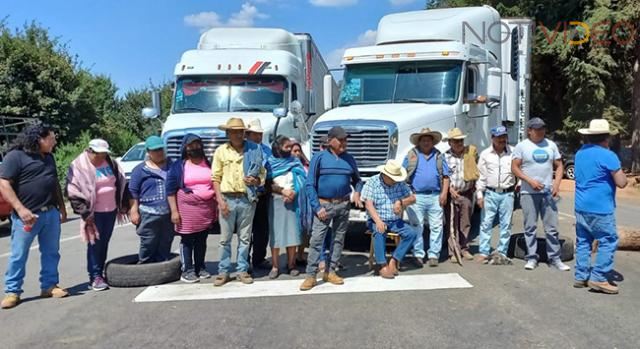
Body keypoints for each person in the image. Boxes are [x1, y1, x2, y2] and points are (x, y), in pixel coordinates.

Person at [0, 124, 69, 309]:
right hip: (26, 217)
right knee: (18, 254)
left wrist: (61, 208)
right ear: (39, 139)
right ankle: (12, 291)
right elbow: (4, 184)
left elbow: (54, 183)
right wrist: (20, 209)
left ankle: (49, 285)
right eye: (51, 138)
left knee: (51, 252)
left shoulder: (49, 157)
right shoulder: (15, 157)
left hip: (50, 213)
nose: (54, 142)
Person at [300, 126, 363, 291]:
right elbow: (310, 184)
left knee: (338, 239)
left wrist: (357, 193)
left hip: (343, 205)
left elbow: (357, 180)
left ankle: (331, 271)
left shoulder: (349, 159)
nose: (344, 143)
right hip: (323, 205)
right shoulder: (319, 158)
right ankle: (311, 276)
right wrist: (316, 206)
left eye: (345, 139)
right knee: (316, 241)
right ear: (330, 140)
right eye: (341, 139)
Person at [67, 139, 128, 292]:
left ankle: (99, 272)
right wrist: (85, 213)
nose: (101, 157)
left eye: (104, 154)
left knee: (104, 243)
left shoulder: (110, 163)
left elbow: (120, 182)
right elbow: (72, 191)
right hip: (93, 213)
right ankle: (94, 276)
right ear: (90, 151)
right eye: (98, 154)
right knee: (94, 244)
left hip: (111, 210)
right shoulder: (79, 165)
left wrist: (123, 204)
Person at [574, 119, 627, 294]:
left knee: (583, 241)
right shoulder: (608, 156)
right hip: (600, 207)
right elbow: (622, 183)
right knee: (608, 240)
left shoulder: (580, 153)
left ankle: (581, 276)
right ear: (607, 138)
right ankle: (598, 277)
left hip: (581, 205)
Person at [212, 118, 265, 287]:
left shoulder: (255, 150)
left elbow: (262, 175)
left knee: (245, 238)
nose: (236, 134)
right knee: (225, 239)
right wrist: (220, 200)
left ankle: (242, 270)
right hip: (227, 197)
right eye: (233, 131)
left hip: (246, 198)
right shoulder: (221, 151)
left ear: (244, 133)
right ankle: (224, 271)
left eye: (239, 131)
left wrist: (255, 180)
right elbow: (215, 177)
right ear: (227, 133)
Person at [512, 117, 570, 271]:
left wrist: (556, 184)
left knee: (552, 228)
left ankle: (555, 259)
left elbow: (559, 166)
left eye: (542, 128)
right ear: (529, 131)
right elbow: (515, 167)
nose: (540, 131)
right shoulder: (522, 146)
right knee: (530, 226)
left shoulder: (551, 145)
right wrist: (529, 181)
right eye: (537, 129)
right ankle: (531, 257)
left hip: (547, 193)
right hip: (528, 192)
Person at [166, 134, 217, 283]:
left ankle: (200, 267)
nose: (195, 147)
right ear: (185, 148)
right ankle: (187, 269)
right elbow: (170, 190)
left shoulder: (208, 163)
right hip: (187, 209)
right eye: (191, 145)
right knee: (188, 239)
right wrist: (174, 211)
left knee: (202, 239)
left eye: (197, 144)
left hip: (205, 208)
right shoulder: (179, 166)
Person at [362, 160, 417, 279]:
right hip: (377, 218)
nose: (394, 181)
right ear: (385, 175)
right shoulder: (372, 182)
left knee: (411, 233)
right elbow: (368, 204)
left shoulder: (399, 183)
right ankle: (382, 264)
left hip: (395, 220)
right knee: (379, 230)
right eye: (392, 178)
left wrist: (401, 202)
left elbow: (413, 198)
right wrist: (378, 220)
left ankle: (394, 259)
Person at [403, 128, 450, 267]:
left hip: (435, 195)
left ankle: (434, 255)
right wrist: (408, 193)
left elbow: (446, 177)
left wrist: (444, 193)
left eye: (428, 140)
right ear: (419, 141)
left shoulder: (439, 156)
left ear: (432, 141)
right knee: (417, 226)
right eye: (423, 140)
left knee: (437, 226)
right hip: (416, 195)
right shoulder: (411, 155)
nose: (426, 142)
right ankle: (418, 254)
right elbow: (402, 174)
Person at [266, 136, 309, 278]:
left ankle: (291, 265)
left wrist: (294, 193)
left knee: (292, 234)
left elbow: (303, 180)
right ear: (278, 148)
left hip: (293, 201)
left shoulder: (295, 162)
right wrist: (281, 191)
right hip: (276, 201)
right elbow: (266, 184)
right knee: (276, 235)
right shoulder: (270, 164)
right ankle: (275, 266)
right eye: (286, 147)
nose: (290, 150)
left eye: (291, 147)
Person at [129, 136, 174, 264]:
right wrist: (134, 211)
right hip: (148, 213)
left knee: (166, 240)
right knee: (149, 240)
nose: (159, 152)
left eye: (161, 149)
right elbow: (133, 192)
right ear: (148, 152)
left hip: (168, 213)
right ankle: (145, 265)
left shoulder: (172, 165)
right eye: (155, 150)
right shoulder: (140, 170)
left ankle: (163, 265)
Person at [475, 126, 516, 263]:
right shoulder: (485, 154)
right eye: (498, 137)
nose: (502, 140)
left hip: (508, 193)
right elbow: (481, 175)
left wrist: (520, 183)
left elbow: (520, 168)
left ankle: (502, 252)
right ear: (492, 138)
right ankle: (484, 251)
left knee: (506, 224)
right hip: (490, 193)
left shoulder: (513, 152)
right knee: (486, 223)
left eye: (504, 136)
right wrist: (480, 195)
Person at [443, 128, 479, 261]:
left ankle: (464, 248)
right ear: (450, 143)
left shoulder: (470, 153)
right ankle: (453, 251)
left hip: (466, 192)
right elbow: (441, 176)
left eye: (461, 141)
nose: (459, 143)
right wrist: (448, 190)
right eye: (456, 141)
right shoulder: (445, 157)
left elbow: (477, 170)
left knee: (466, 222)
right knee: (451, 223)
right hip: (451, 193)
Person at [245, 118, 273, 271]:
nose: (258, 137)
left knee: (262, 229)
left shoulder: (267, 150)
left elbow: (271, 170)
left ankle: (259, 258)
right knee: (246, 230)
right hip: (246, 194)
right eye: (254, 134)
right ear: (247, 135)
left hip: (262, 193)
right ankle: (245, 260)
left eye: (259, 134)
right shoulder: (243, 150)